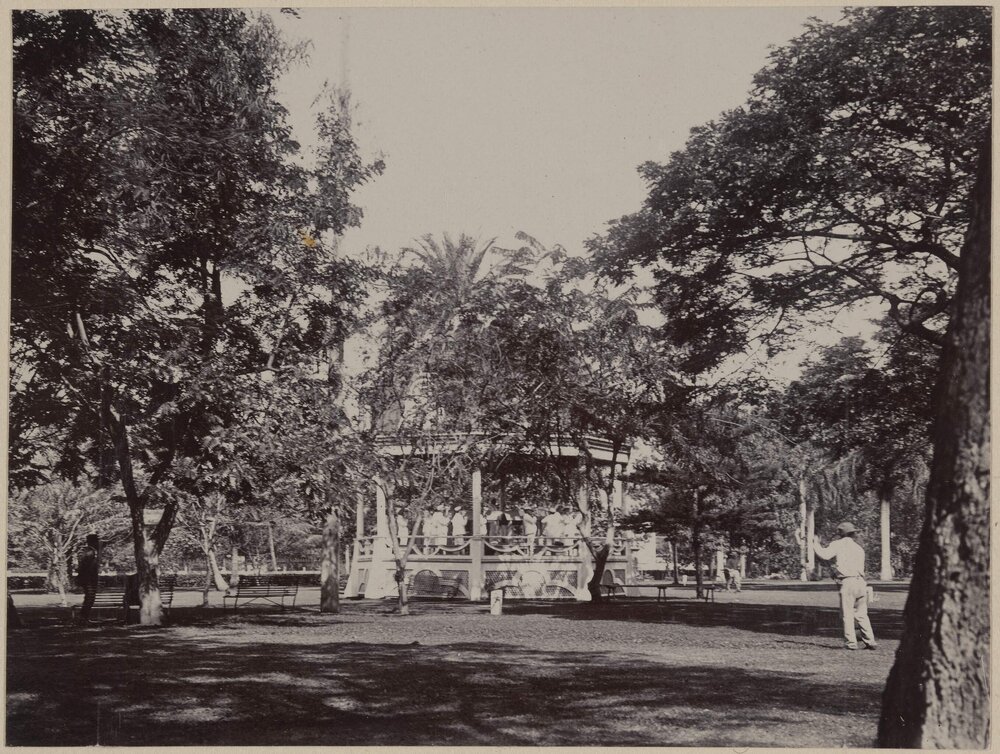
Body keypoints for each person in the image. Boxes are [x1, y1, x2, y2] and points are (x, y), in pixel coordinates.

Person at [813, 522, 877, 651]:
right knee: (862, 614)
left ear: (840, 534)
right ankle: (870, 641)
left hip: (848, 582)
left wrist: (815, 543)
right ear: (853, 533)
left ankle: (851, 643)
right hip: (861, 582)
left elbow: (825, 555)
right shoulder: (859, 548)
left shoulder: (838, 544)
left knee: (847, 614)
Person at [76, 533, 101, 625]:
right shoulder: (91, 551)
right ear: (94, 542)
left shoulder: (86, 550)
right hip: (89, 579)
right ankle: (83, 618)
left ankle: (84, 618)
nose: (98, 543)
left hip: (87, 578)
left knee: (89, 597)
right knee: (90, 597)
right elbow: (87, 566)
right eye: (97, 541)